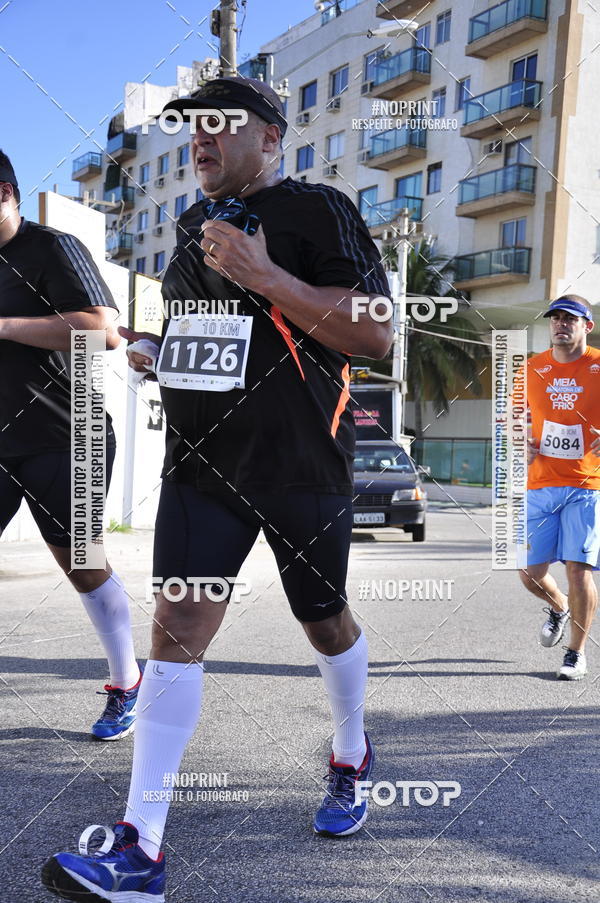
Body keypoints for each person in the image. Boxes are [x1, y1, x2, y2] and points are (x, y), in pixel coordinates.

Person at [42, 77, 393, 901]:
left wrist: (268, 274)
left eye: (219, 125)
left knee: (325, 621)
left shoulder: (321, 210)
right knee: (178, 628)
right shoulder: (192, 225)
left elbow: (374, 332)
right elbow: (221, 343)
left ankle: (350, 753)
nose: (199, 140)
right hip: (204, 464)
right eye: (192, 128)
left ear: (271, 137)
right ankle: (142, 849)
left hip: (302, 463)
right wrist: (163, 350)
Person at [0, 150, 141, 738]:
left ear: (5, 192)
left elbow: (101, 330)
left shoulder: (51, 248)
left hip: (69, 432)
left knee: (81, 562)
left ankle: (126, 681)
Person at [520, 295, 600, 680]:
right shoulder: (531, 369)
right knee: (529, 572)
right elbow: (516, 419)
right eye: (555, 318)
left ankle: (575, 653)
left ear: (588, 325)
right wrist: (522, 439)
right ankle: (558, 605)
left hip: (587, 484)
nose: (561, 324)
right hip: (540, 483)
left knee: (578, 569)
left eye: (571, 319)